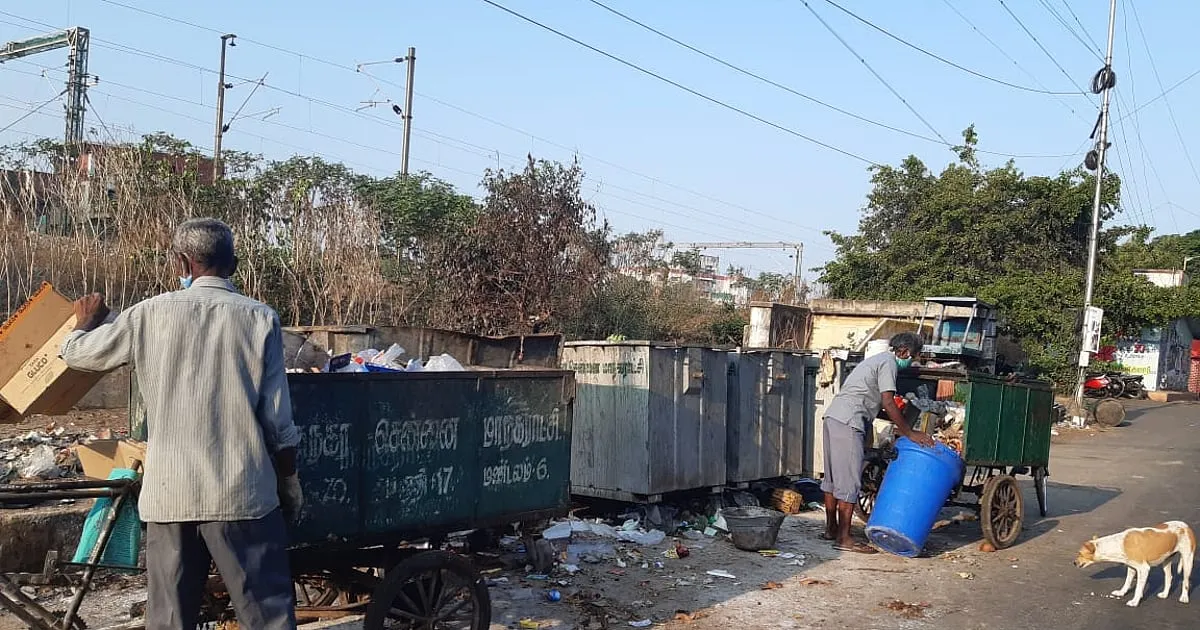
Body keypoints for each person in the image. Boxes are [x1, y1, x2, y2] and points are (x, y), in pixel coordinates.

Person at [60, 218, 304, 630]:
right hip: (241, 494)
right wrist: (290, 481)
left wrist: (85, 320)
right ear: (234, 264)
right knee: (267, 616)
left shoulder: (148, 315)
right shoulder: (260, 319)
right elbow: (277, 421)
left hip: (170, 495)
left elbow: (78, 355)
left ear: (183, 263)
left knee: (171, 618)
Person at [820, 332, 933, 554]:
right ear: (905, 352)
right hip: (849, 421)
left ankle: (832, 529)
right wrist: (909, 433)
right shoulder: (889, 363)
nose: (913, 361)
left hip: (834, 417)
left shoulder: (874, 360)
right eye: (914, 356)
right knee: (850, 482)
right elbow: (888, 401)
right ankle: (844, 538)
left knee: (833, 479)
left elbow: (876, 403)